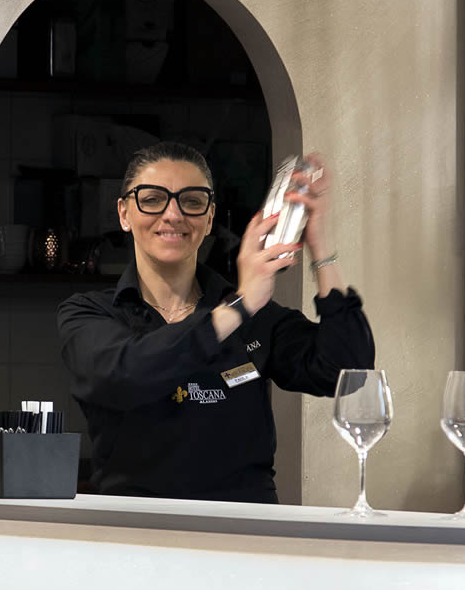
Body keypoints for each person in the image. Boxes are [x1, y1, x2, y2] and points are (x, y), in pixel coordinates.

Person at [58, 141, 375, 503]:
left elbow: (346, 371)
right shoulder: (88, 314)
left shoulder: (257, 318)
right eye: (152, 199)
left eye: (192, 201)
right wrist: (238, 306)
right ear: (124, 214)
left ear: (209, 218)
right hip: (136, 526)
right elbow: (127, 374)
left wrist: (320, 246)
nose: (173, 214)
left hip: (243, 526)